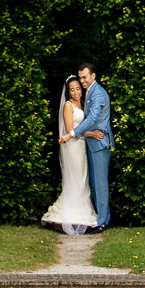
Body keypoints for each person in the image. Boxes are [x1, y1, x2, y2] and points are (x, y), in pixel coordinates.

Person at [39, 75, 97, 234]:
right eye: (72, 90)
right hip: (72, 146)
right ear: (68, 92)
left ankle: (82, 214)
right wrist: (91, 134)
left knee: (82, 179)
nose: (76, 92)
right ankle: (67, 215)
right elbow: (71, 131)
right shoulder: (68, 105)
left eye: (78, 88)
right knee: (75, 179)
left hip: (81, 146)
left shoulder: (84, 103)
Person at [73, 62, 112, 232]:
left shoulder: (99, 94)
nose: (82, 81)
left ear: (93, 76)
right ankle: (103, 217)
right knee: (96, 183)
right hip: (93, 142)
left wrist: (74, 132)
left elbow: (92, 119)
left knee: (100, 184)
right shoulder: (91, 92)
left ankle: (103, 222)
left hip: (100, 143)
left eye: (84, 77)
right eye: (80, 77)